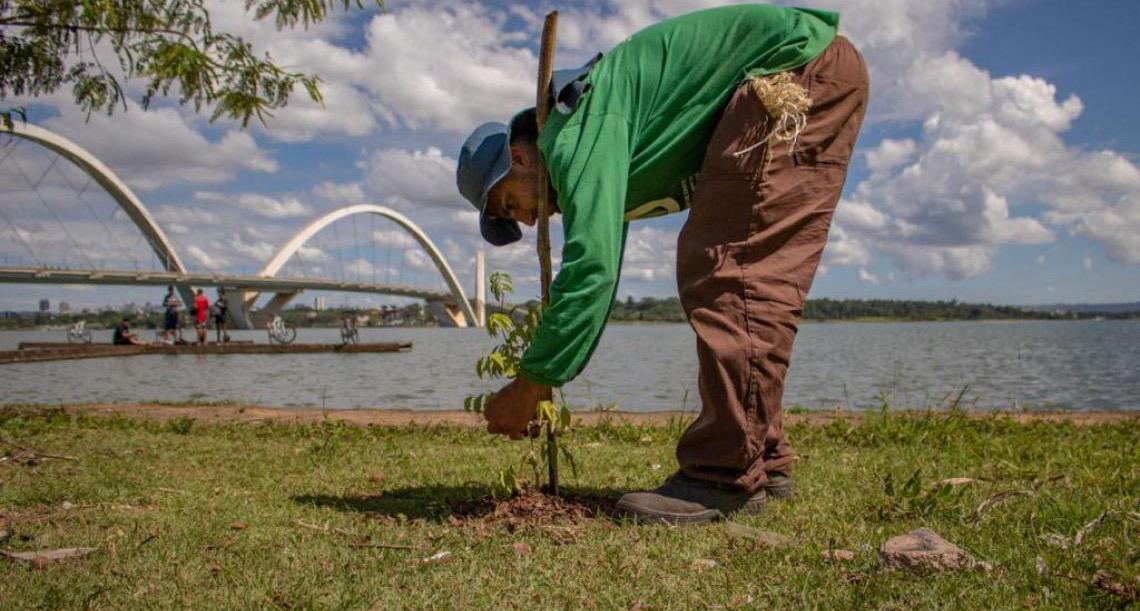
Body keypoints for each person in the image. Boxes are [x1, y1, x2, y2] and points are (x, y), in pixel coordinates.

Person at [456, 5, 868, 524]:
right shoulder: (590, 133)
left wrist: (532, 382)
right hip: (812, 68)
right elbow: (604, 265)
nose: (528, 221)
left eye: (509, 204)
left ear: (519, 159)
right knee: (739, 268)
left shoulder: (573, 130)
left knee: (726, 267)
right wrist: (546, 373)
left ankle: (721, 475)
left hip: (791, 75)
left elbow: (592, 269)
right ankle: (762, 457)